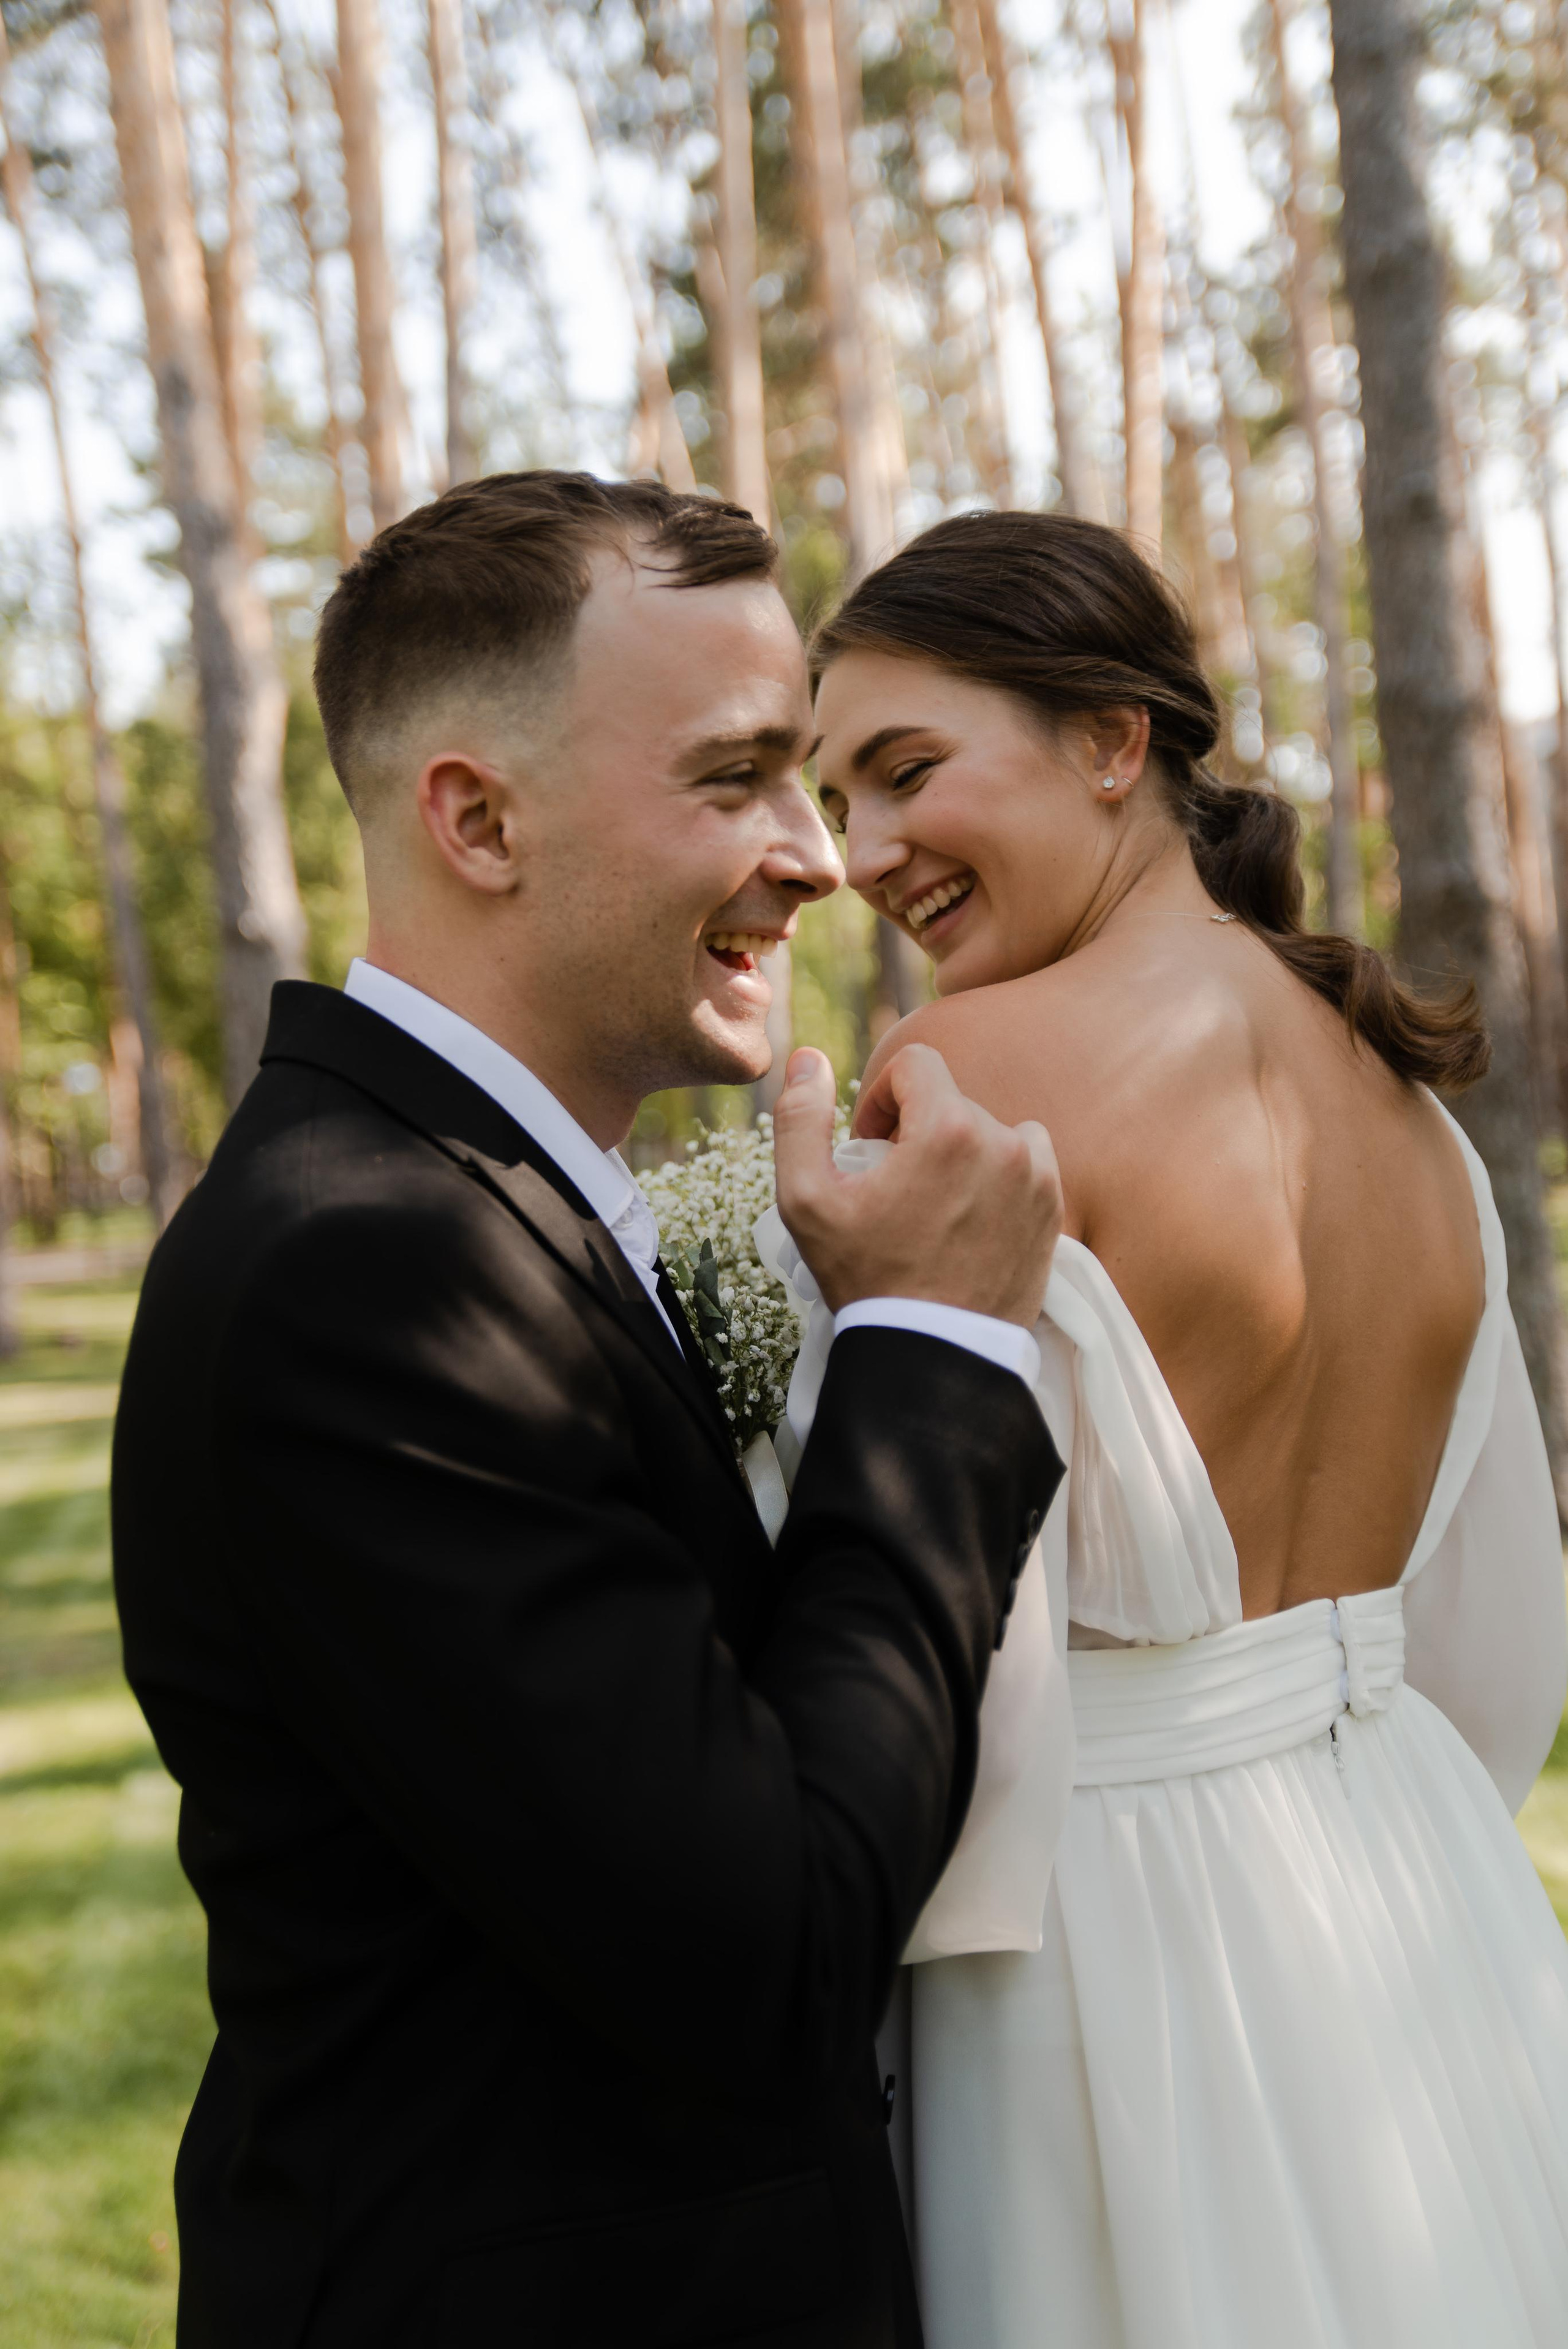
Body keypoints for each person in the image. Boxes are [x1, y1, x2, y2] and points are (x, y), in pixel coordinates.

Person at [109, 472, 1066, 2349]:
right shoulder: (363, 1270)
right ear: (477, 817)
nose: (819, 854)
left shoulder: (473, 1204)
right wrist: (934, 1350)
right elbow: (763, 1947)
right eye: (735, 779)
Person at [805, 508, 1568, 2349]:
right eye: (839, 799)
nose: (862, 854)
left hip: (1102, 1942)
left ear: (1112, 738)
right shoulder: (1410, 1109)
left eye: (907, 772)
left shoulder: (968, 1086)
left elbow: (835, 1554)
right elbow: (1500, 1645)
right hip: (1413, 1874)